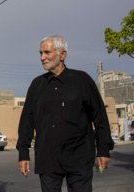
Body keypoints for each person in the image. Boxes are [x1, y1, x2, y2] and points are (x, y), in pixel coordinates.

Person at [16, 35, 114, 192]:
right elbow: (27, 121)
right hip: (48, 160)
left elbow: (100, 116)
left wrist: (103, 149)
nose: (42, 57)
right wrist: (23, 152)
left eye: (47, 52)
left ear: (62, 54)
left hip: (79, 158)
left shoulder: (81, 80)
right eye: (41, 53)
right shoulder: (37, 85)